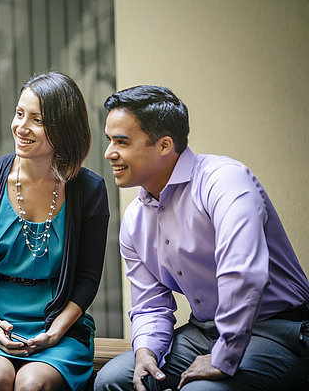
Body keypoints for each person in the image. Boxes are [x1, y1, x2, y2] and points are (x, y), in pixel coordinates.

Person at [94, 85, 309, 391]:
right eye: (109, 140)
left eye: (121, 142)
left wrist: (223, 357)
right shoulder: (134, 218)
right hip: (203, 332)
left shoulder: (225, 181)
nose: (109, 153)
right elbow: (151, 304)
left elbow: (242, 274)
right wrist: (145, 351)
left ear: (165, 145)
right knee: (112, 381)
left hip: (279, 330)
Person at [0, 71, 110, 391]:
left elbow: (87, 279)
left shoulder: (89, 190)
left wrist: (55, 332)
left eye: (37, 119)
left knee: (32, 383)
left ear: (64, 129)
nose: (21, 127)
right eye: (19, 113)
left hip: (59, 325)